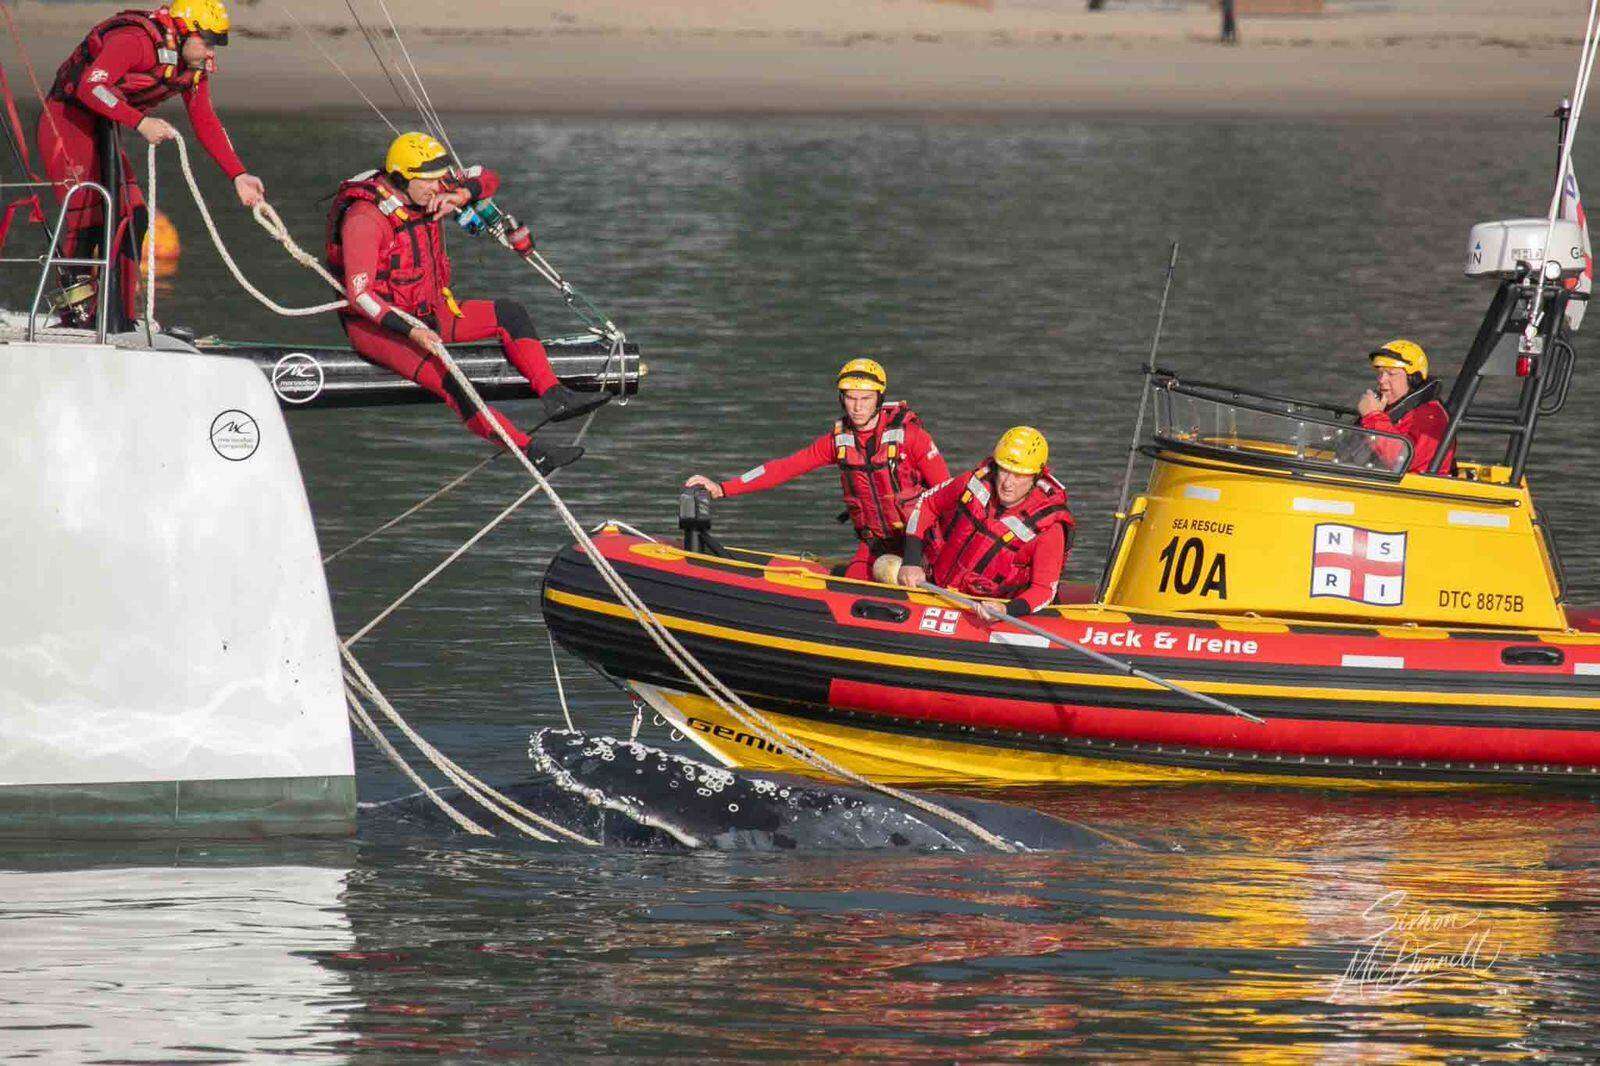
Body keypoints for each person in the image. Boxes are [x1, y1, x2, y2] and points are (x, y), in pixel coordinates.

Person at [326, 132, 604, 471]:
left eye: (438, 180)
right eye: (427, 182)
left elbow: (486, 176)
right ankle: (531, 452)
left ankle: (555, 396)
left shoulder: (431, 186)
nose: (435, 187)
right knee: (453, 381)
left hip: (430, 309)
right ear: (400, 178)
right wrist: (413, 333)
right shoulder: (365, 220)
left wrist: (458, 196)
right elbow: (361, 297)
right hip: (382, 327)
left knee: (509, 314)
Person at [38, 0, 265, 325]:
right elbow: (91, 87)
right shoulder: (135, 41)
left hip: (106, 127)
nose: (212, 51)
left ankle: (122, 319)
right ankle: (76, 316)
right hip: (67, 121)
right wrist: (139, 122)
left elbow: (205, 120)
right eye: (208, 40)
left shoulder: (192, 67)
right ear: (184, 31)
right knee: (87, 216)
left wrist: (238, 174)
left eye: (218, 42)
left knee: (135, 216)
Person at [683, 358, 950, 579]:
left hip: (919, 543)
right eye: (850, 398)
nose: (857, 407)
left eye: (865, 399)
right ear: (841, 398)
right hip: (876, 544)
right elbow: (783, 468)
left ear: (879, 399)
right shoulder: (837, 442)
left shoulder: (912, 437)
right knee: (852, 585)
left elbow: (946, 495)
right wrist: (722, 488)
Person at [898, 426, 1073, 619]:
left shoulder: (1049, 528)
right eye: (1005, 471)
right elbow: (927, 504)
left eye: (1019, 475)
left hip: (993, 610)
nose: (1008, 483)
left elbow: (1043, 589)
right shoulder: (973, 483)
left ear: (1036, 477)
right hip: (936, 589)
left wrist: (1006, 610)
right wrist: (911, 561)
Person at [1356, 339, 1456, 475]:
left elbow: (1400, 459)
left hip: (1417, 490)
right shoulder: (1391, 411)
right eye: (1380, 373)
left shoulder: (1431, 416)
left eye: (1391, 374)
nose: (1381, 380)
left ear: (1413, 379)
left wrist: (1372, 416)